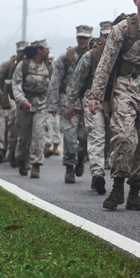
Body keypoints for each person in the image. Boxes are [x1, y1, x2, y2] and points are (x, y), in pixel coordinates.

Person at [87, 0, 140, 211]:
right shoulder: (122, 28)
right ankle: (118, 184)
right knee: (124, 136)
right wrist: (96, 95)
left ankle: (136, 191)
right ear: (135, 2)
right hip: (126, 86)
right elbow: (106, 63)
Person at [69, 21, 113, 194]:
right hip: (93, 102)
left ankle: (102, 168)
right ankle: (97, 173)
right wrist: (71, 104)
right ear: (100, 36)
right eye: (105, 36)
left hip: (114, 103)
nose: (108, 39)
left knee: (110, 141)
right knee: (96, 137)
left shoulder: (121, 55)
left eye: (111, 36)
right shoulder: (90, 56)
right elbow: (76, 81)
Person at [48, 25, 93, 184]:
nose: (82, 41)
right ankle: (69, 167)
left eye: (86, 38)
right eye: (80, 37)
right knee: (69, 136)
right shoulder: (65, 57)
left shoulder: (95, 55)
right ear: (76, 38)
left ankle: (81, 158)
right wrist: (52, 105)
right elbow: (55, 80)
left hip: (87, 101)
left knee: (84, 136)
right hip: (67, 101)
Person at [12, 40, 53, 178]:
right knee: (24, 137)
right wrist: (22, 100)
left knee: (38, 134)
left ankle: (36, 165)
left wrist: (53, 104)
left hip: (41, 104)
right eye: (47, 49)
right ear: (39, 50)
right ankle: (22, 160)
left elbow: (53, 86)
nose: (49, 52)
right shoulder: (23, 65)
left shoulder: (48, 66)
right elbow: (16, 84)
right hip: (25, 105)